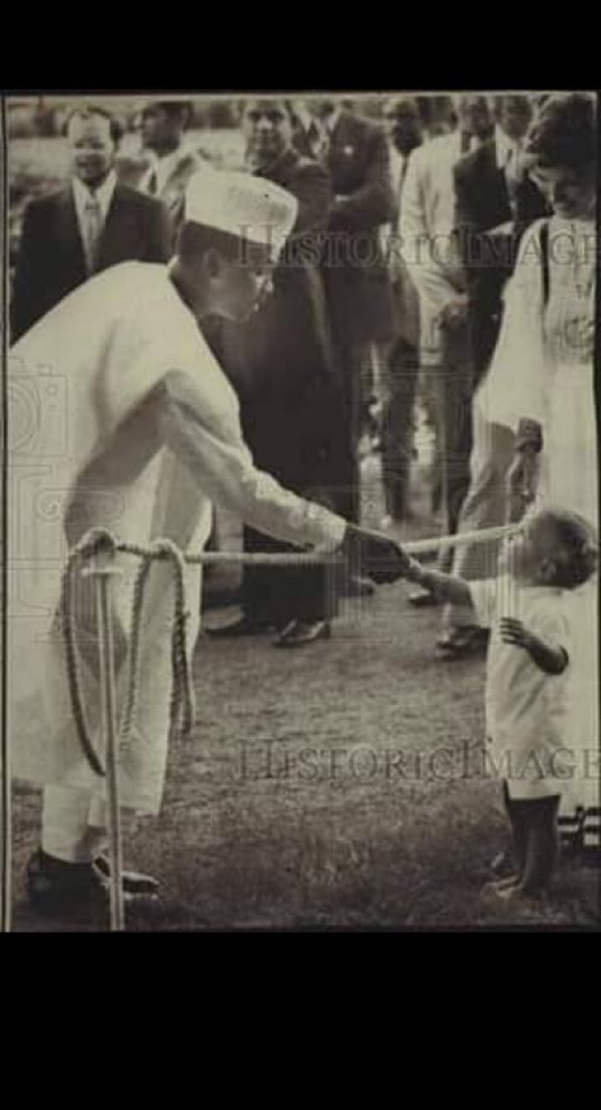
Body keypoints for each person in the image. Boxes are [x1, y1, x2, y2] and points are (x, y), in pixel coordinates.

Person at [8, 168, 405, 922]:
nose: (267, 286)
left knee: (112, 696)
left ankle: (76, 857)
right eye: (260, 267)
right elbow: (241, 491)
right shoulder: (174, 358)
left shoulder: (134, 282)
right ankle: (58, 873)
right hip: (81, 539)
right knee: (99, 697)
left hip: (102, 524)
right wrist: (343, 539)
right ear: (216, 262)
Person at [483, 91, 598, 854]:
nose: (557, 196)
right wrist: (527, 444)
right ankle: (570, 792)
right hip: (567, 439)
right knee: (569, 598)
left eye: (571, 181)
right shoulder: (542, 245)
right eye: (545, 182)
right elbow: (525, 349)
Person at [397, 507, 597, 908]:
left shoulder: (550, 608)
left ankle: (534, 887)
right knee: (516, 804)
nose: (508, 540)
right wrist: (416, 573)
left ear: (545, 566)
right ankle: (520, 872)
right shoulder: (509, 588)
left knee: (539, 814)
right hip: (510, 724)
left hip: (538, 732)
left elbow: (559, 661)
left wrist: (532, 642)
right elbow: (460, 591)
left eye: (520, 537)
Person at [208, 98, 349, 646]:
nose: (264, 126)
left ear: (292, 126)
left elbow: (284, 242)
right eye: (254, 117)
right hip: (246, 345)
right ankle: (263, 602)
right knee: (255, 471)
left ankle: (314, 606)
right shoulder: (239, 179)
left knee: (303, 475)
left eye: (275, 117)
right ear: (242, 124)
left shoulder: (308, 176)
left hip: (296, 346)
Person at [436, 95, 550, 658]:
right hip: (499, 342)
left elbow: (562, 238)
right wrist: (519, 234)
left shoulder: (570, 149)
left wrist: (514, 228)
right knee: (488, 471)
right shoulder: (471, 169)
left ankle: (544, 606)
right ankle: (465, 611)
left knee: (554, 475)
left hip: (560, 336)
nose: (513, 103)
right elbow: (470, 250)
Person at [400, 95, 494, 605]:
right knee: (454, 443)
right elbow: (411, 237)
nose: (476, 102)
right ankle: (451, 562)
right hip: (448, 322)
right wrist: (446, 303)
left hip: (501, 311)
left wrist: (478, 298)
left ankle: (493, 569)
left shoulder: (511, 154)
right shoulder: (426, 157)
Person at [317, 97, 396, 592]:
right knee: (306, 427)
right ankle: (314, 554)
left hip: (347, 299)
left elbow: (382, 200)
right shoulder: (278, 127)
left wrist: (320, 207)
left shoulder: (366, 133)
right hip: (299, 294)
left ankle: (352, 555)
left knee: (344, 429)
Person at [10, 105, 172, 341]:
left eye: (96, 145)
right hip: (60, 352)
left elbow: (161, 300)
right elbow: (25, 303)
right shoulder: (40, 215)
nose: (85, 154)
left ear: (116, 146)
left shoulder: (149, 212)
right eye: (78, 145)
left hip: (126, 356)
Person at [375, 97, 423, 527]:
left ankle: (447, 501)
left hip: (429, 301)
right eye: (389, 116)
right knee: (393, 407)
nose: (395, 124)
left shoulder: (436, 164)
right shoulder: (380, 168)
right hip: (388, 307)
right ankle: (396, 502)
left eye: (404, 116)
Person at [138, 99, 210, 238]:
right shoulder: (148, 176)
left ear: (180, 118)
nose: (138, 123)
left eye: (150, 115)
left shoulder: (201, 178)